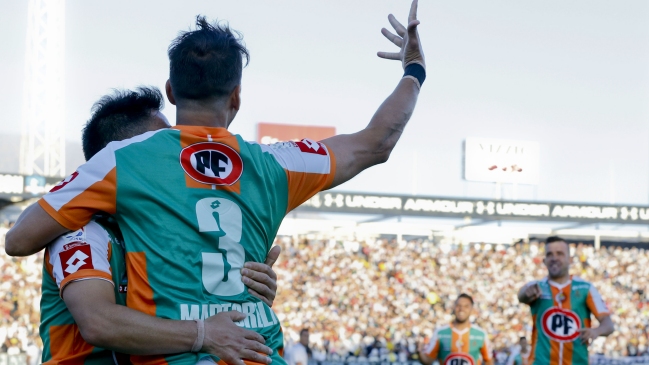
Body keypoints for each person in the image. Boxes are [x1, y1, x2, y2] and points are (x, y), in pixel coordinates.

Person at [5, 1, 426, 364]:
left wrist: (235, 283)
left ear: (171, 90)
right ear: (237, 96)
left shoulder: (126, 161)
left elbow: (19, 239)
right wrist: (414, 70)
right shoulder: (276, 163)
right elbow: (377, 141)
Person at [40, 87, 282, 364]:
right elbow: (98, 323)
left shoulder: (163, 235)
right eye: (161, 143)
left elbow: (204, 305)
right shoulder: (81, 233)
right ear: (123, 156)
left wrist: (251, 290)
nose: (175, 150)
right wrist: (203, 334)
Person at [517, 236, 615, 365]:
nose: (554, 258)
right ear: (544, 261)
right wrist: (526, 292)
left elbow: (608, 325)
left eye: (560, 253)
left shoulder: (586, 288)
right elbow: (522, 296)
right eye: (550, 254)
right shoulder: (537, 287)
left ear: (569, 259)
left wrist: (596, 331)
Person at [418, 294, 494, 365]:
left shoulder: (481, 334)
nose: (461, 309)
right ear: (454, 307)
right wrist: (419, 351)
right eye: (458, 305)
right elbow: (428, 360)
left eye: (466, 306)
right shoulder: (440, 332)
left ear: (471, 309)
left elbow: (489, 360)